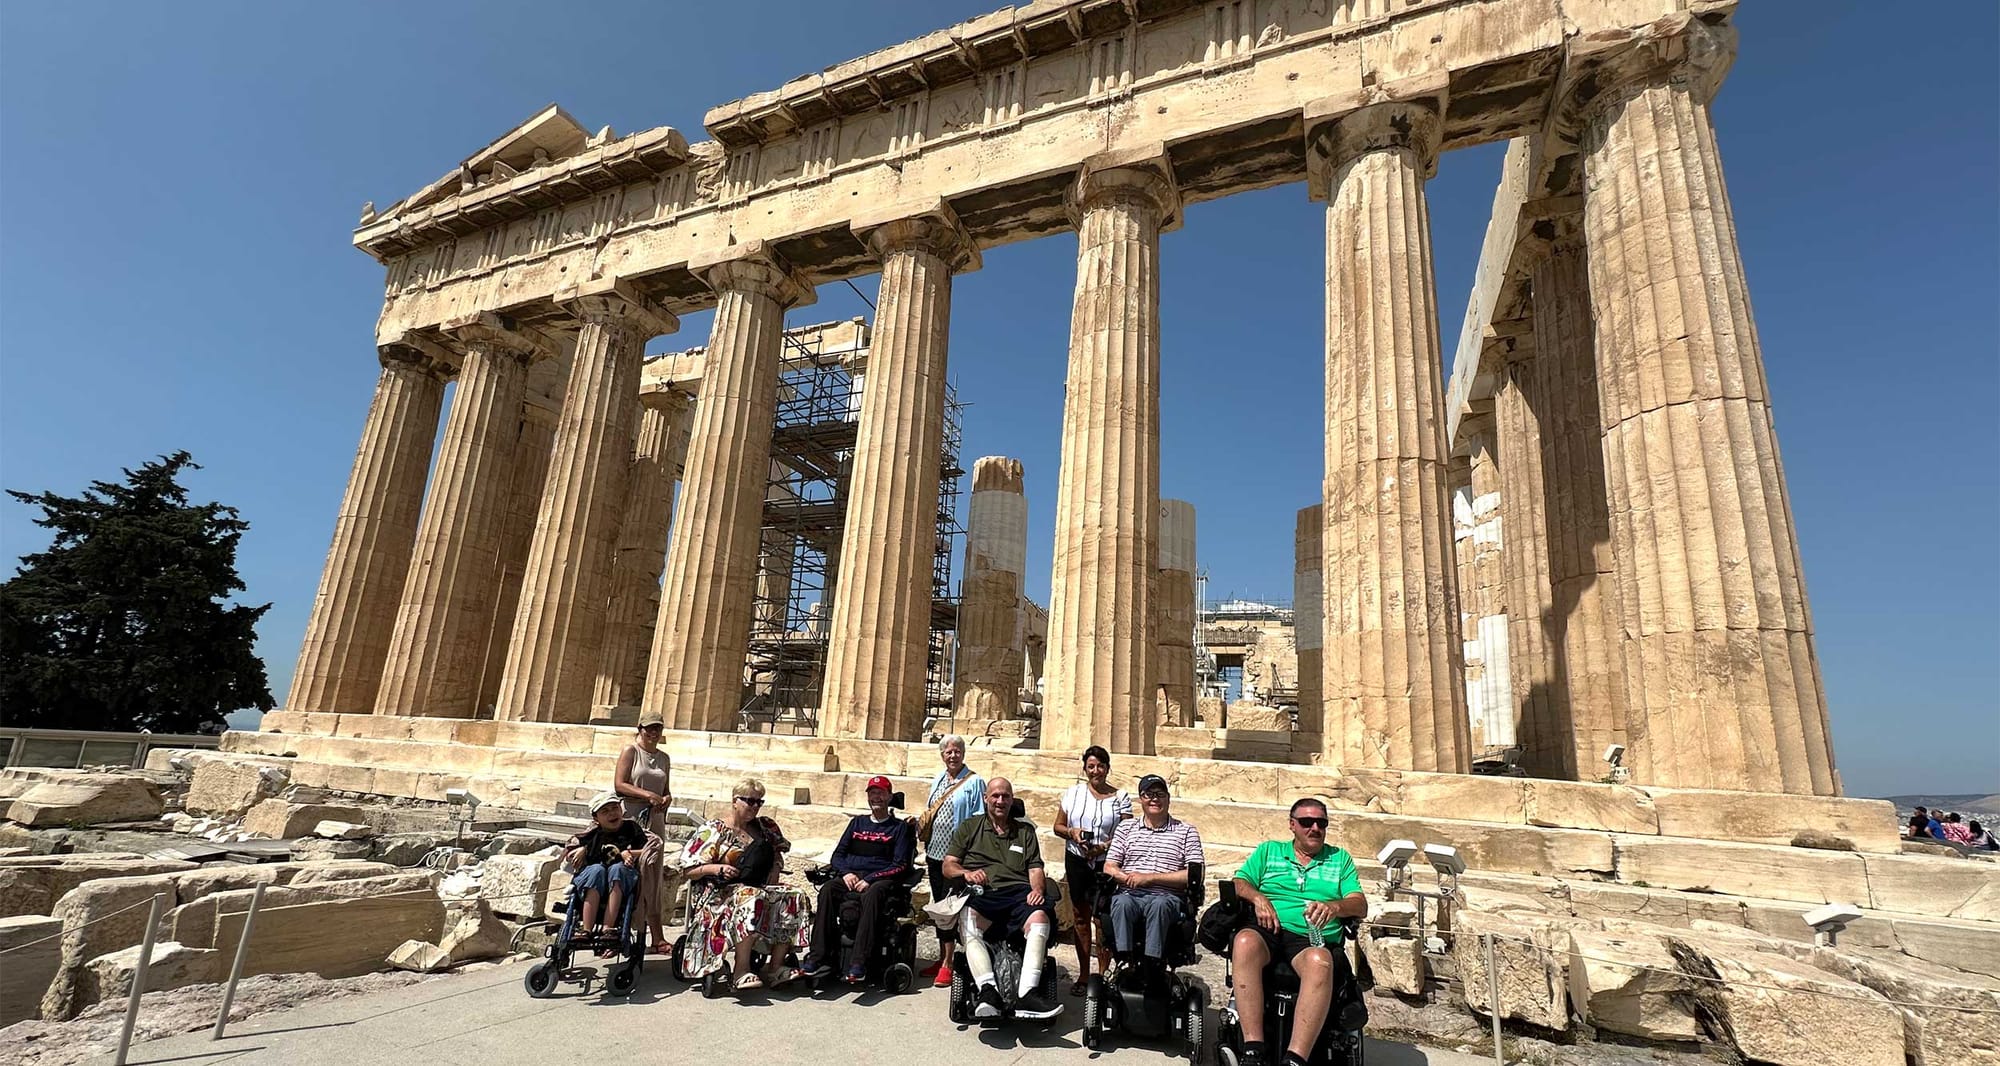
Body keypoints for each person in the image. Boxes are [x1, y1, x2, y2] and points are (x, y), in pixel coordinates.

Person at [1228, 798, 1368, 1066]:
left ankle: (1295, 1059)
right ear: (1292, 825)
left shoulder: (1340, 859)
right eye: (1306, 822)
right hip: (1270, 928)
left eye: (1321, 823)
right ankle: (1253, 1051)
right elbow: (1239, 882)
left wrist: (1335, 906)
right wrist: (1258, 898)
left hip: (1312, 937)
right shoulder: (1269, 851)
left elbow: (1359, 904)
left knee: (1320, 961)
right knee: (1244, 941)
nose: (1314, 828)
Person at [674, 777, 811, 992]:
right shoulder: (715, 829)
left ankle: (775, 967)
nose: (755, 806)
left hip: (760, 885)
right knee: (750, 895)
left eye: (759, 802)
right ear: (735, 801)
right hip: (720, 892)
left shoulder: (764, 827)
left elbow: (778, 853)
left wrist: (775, 866)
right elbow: (689, 870)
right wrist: (717, 868)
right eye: (750, 801)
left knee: (795, 894)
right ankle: (741, 970)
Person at [943, 777, 1060, 1020]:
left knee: (1040, 916)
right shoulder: (970, 827)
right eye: (995, 796)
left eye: (1005, 796)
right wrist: (967, 873)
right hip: (984, 894)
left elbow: (1035, 869)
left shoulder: (1025, 831)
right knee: (967, 917)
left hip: (1018, 894)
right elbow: (948, 865)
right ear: (986, 798)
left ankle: (1027, 994)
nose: (1000, 801)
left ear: (1012, 800)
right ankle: (988, 991)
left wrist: (1037, 891)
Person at [803, 775, 916, 983]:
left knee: (872, 895)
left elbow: (900, 864)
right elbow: (837, 855)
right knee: (828, 890)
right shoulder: (857, 823)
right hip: (851, 875)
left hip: (880, 879)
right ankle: (818, 956)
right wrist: (846, 873)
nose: (876, 797)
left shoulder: (898, 828)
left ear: (889, 796)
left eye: (881, 793)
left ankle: (858, 961)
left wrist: (871, 878)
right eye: (872, 793)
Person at [1103, 774, 1205, 969]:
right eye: (1148, 794)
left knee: (1159, 904)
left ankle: (1153, 962)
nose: (1154, 799)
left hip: (1167, 897)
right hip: (1130, 893)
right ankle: (1125, 960)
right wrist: (1128, 878)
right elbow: (1109, 867)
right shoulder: (1126, 828)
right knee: (1121, 902)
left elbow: (1194, 874)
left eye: (1159, 794)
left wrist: (1150, 878)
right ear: (1141, 799)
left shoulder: (1186, 831)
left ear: (1168, 798)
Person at [1051, 745, 1131, 993]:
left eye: (1100, 766)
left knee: (1101, 919)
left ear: (1107, 768)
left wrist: (1103, 846)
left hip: (1106, 862)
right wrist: (1072, 833)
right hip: (1076, 859)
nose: (1096, 771)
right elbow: (1058, 827)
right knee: (1079, 917)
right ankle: (1084, 975)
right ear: (1085, 768)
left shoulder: (1121, 798)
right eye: (1091, 766)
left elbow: (1127, 833)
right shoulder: (1072, 794)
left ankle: (1102, 975)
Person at [919, 734, 984, 988]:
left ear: (963, 754)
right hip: (935, 853)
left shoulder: (974, 782)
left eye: (957, 751)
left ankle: (948, 963)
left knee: (950, 907)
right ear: (942, 755)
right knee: (939, 906)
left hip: (957, 857)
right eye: (948, 752)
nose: (953, 755)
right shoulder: (938, 778)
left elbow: (979, 816)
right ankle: (941, 956)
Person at [612, 713, 673, 953]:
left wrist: (667, 798)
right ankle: (620, 931)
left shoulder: (664, 758)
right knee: (630, 872)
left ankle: (657, 937)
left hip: (655, 820)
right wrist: (646, 795)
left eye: (658, 728)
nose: (654, 732)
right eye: (649, 728)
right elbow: (619, 784)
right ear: (640, 728)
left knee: (653, 875)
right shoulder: (631, 751)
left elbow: (666, 788)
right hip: (632, 819)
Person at [564, 792, 651, 949]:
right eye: (605, 811)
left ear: (621, 809)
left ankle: (607, 928)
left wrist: (628, 853)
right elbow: (572, 852)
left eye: (614, 808)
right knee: (596, 870)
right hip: (596, 879)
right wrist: (582, 849)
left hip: (622, 877)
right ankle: (586, 929)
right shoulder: (594, 835)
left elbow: (648, 850)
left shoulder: (631, 828)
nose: (612, 813)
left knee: (617, 869)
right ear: (596, 819)